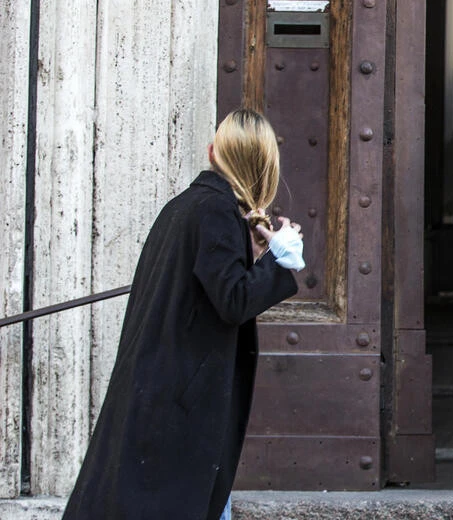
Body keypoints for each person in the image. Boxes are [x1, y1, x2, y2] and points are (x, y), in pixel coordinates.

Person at [62, 109, 305, 519]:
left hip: (163, 399)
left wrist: (257, 257)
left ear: (213, 152)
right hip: (181, 410)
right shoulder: (214, 211)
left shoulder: (187, 206)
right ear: (264, 165)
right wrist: (281, 261)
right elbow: (232, 300)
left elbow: (209, 290)